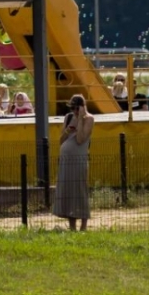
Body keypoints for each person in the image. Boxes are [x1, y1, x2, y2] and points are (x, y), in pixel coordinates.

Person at [53, 95, 93, 230]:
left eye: (77, 108)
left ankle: (83, 225)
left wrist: (80, 119)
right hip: (66, 161)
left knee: (80, 190)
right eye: (73, 108)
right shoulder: (68, 117)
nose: (75, 111)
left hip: (79, 160)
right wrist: (67, 131)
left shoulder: (89, 119)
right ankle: (72, 226)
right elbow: (61, 141)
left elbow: (81, 139)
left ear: (83, 107)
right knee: (68, 190)